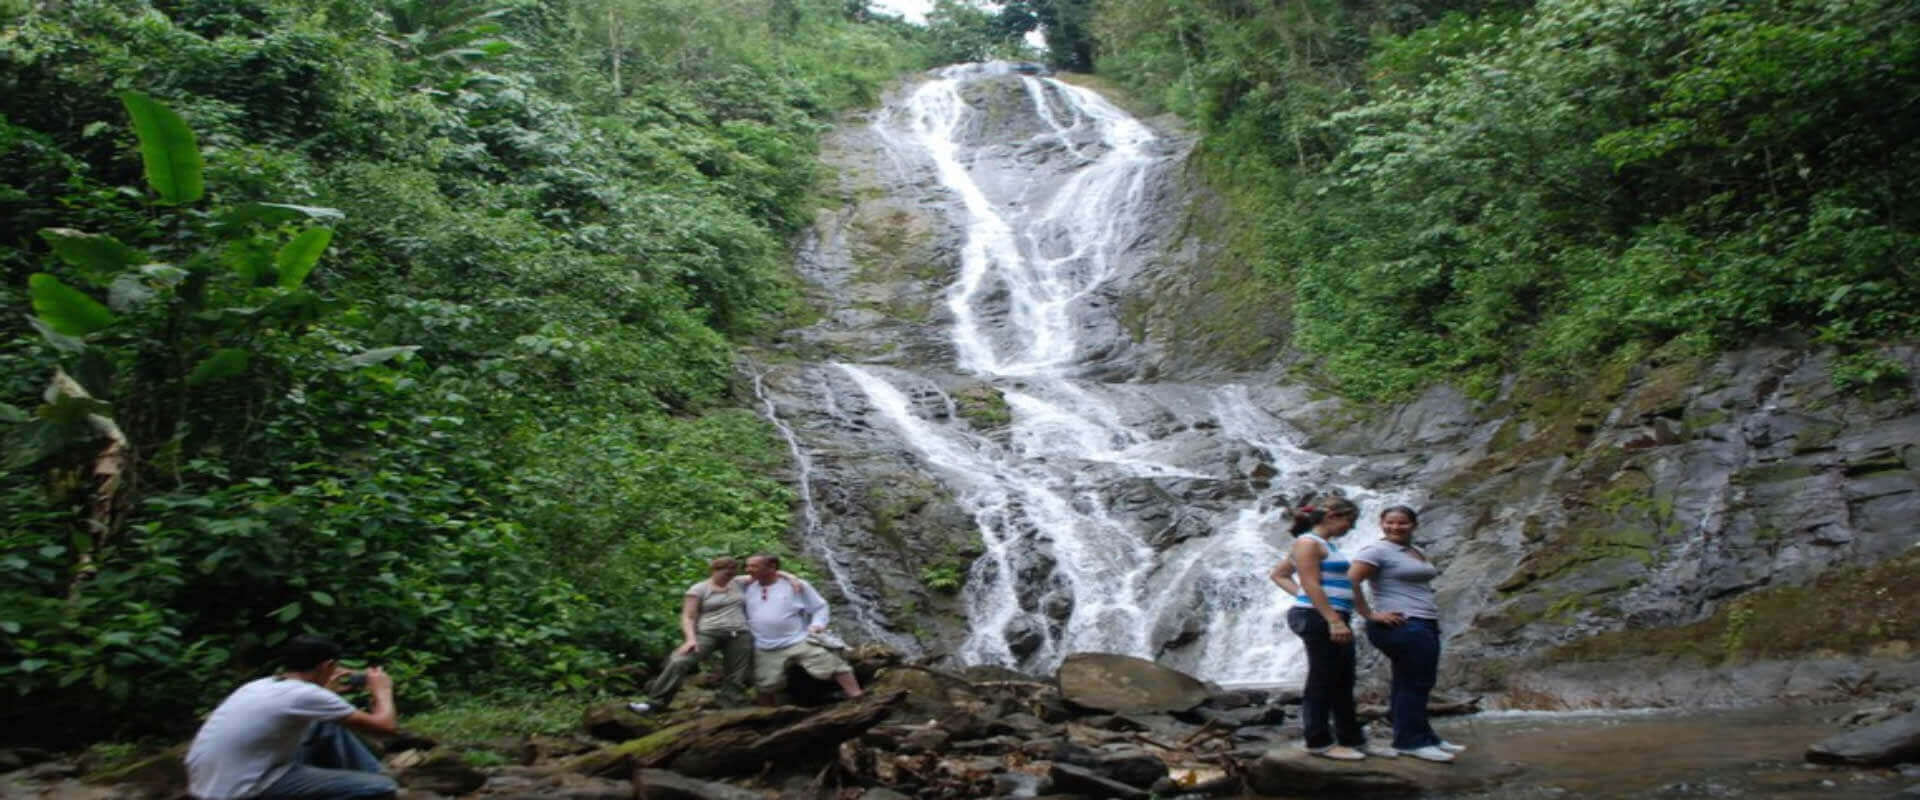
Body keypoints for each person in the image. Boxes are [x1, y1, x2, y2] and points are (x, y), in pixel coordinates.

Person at [185, 635, 398, 800]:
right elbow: (385, 726)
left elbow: (304, 708)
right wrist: (382, 690)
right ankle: (376, 779)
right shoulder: (307, 695)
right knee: (381, 789)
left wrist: (324, 690)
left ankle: (370, 774)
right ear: (327, 666)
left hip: (207, 785)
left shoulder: (258, 685)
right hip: (245, 790)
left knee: (324, 725)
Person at [1351, 505, 1465, 763]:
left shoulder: (1416, 551)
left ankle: (1424, 736)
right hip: (1401, 624)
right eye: (1389, 522)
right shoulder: (1376, 550)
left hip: (1421, 622)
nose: (1395, 527)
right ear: (1381, 523)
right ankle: (1410, 742)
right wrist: (1369, 614)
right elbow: (1351, 580)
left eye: (1402, 523)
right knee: (1415, 683)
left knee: (1411, 682)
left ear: (1414, 525)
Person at [1270, 496, 1379, 761]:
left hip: (1327, 614)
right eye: (1349, 522)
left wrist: (1311, 602)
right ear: (1333, 517)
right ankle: (1318, 741)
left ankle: (1351, 738)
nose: (1351, 528)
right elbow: (1311, 583)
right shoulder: (1308, 543)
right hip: (1321, 617)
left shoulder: (1322, 544)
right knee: (1322, 679)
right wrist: (1331, 618)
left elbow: (1279, 573)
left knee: (1343, 679)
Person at [630, 557, 756, 713]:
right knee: (679, 661)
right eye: (725, 573)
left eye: (732, 573)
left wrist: (790, 578)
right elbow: (688, 616)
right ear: (714, 571)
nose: (729, 576)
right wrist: (690, 639)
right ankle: (655, 702)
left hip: (739, 633)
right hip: (709, 632)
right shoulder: (699, 589)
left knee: (736, 673)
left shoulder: (738, 582)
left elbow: (768, 573)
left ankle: (731, 704)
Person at [740, 553, 863, 706]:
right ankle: (768, 717)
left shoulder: (796, 586)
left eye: (754, 566)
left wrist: (817, 624)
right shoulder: (746, 586)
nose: (748, 570)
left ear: (771, 567)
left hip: (797, 639)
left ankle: (858, 697)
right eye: (747, 566)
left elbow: (819, 607)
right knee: (764, 684)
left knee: (836, 666)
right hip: (765, 645)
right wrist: (787, 575)